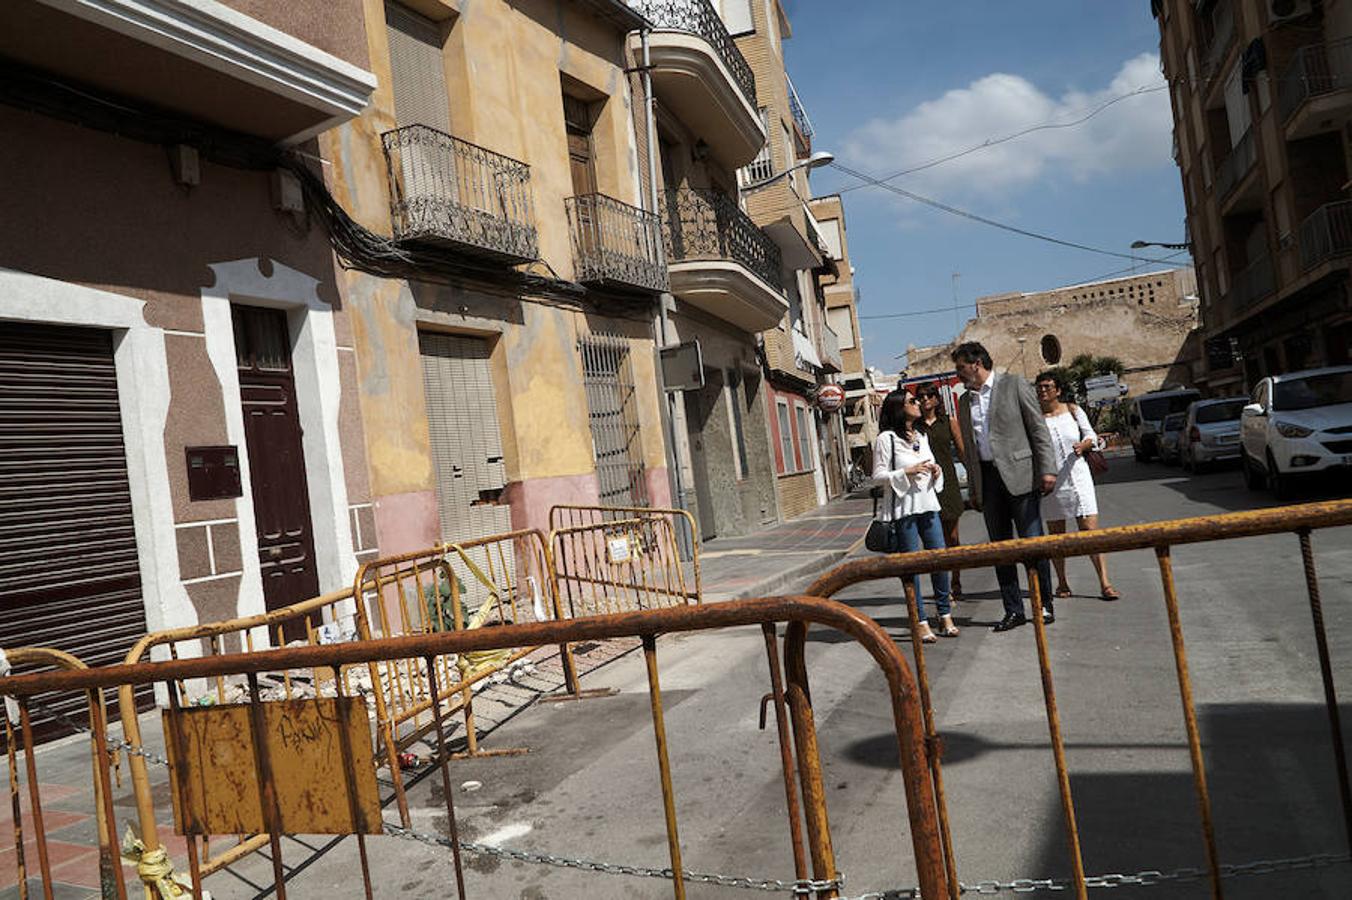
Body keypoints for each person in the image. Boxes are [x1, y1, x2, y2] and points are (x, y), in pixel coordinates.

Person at [951, 342, 1058, 632]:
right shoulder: (964, 402)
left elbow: (1038, 429)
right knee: (1001, 549)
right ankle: (1014, 610)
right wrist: (974, 488)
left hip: (1021, 475)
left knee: (1032, 544)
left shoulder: (1014, 385)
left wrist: (1047, 469)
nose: (958, 374)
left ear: (976, 363)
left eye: (960, 368)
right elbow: (970, 452)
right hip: (988, 481)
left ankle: (1043, 604)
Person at [873, 390, 957, 642]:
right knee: (911, 567)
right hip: (904, 510)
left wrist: (935, 470)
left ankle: (944, 614)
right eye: (912, 401)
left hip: (928, 504)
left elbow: (930, 464)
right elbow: (876, 477)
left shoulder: (921, 435)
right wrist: (906, 471)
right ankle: (919, 620)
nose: (918, 403)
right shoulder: (886, 439)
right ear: (899, 408)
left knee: (939, 559)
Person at [1034, 370, 1119, 600]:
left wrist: (1084, 445)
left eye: (1048, 386)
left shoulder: (1073, 410)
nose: (1043, 391)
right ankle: (1062, 583)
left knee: (1090, 533)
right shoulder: (1034, 417)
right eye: (1040, 387)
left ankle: (1105, 582)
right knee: (1057, 536)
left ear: (1058, 390)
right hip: (1051, 483)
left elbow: (1092, 436)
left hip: (1078, 478)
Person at [916, 383, 967, 600]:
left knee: (952, 537)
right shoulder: (915, 426)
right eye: (921, 396)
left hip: (948, 486)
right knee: (932, 539)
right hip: (925, 487)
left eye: (930, 395)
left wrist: (975, 481)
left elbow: (963, 452)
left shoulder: (949, 423)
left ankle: (956, 581)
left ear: (937, 399)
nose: (926, 399)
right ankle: (942, 586)